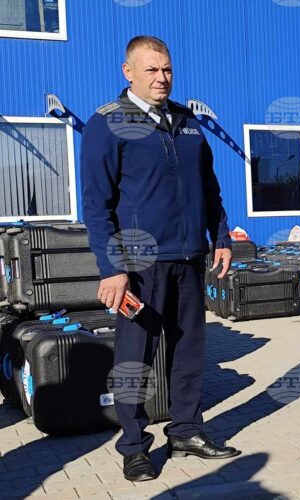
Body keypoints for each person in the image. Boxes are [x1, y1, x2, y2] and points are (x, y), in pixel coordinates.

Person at [81, 36, 239, 482]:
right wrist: (112, 270)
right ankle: (133, 446)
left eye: (167, 69)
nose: (161, 78)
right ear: (128, 72)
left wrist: (220, 236)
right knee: (135, 357)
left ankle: (186, 430)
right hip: (139, 267)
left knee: (189, 351)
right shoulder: (108, 124)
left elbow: (209, 187)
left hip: (188, 259)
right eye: (151, 70)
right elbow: (96, 206)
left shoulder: (187, 122)